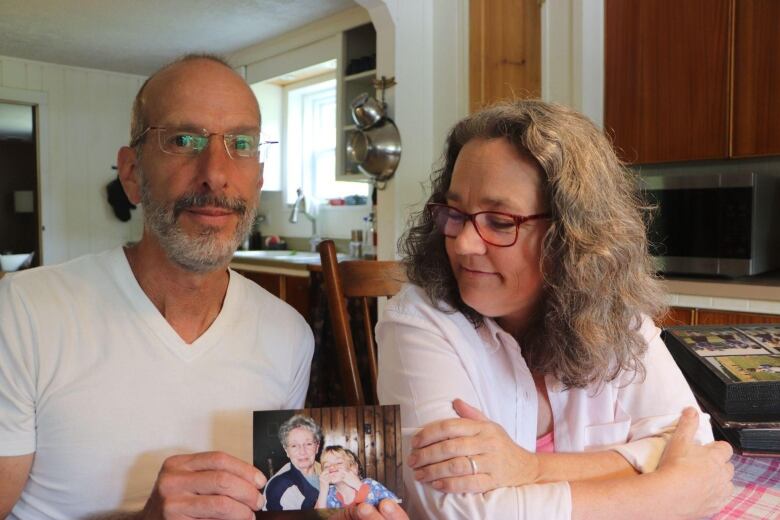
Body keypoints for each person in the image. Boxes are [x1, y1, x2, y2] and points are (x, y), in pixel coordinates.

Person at [0, 54, 406, 520]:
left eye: (241, 142)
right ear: (131, 173)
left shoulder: (288, 334)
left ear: (259, 180)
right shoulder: (26, 312)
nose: (216, 172)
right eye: (183, 140)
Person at [377, 100, 734, 519]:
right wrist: (666, 496)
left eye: (500, 221)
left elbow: (694, 446)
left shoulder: (615, 315)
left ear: (572, 234)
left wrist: (530, 469)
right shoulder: (418, 321)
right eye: (456, 214)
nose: (464, 244)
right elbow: (464, 514)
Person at [263, 415, 323, 510]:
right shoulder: (279, 487)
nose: (302, 451)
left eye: (308, 444)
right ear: (286, 450)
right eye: (294, 446)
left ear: (317, 447)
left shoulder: (327, 471)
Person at [316, 446, 399, 509]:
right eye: (326, 466)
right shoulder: (329, 493)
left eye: (339, 463)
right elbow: (318, 517)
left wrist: (358, 485)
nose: (332, 467)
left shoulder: (369, 484)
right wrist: (323, 490)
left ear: (353, 468)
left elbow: (394, 504)